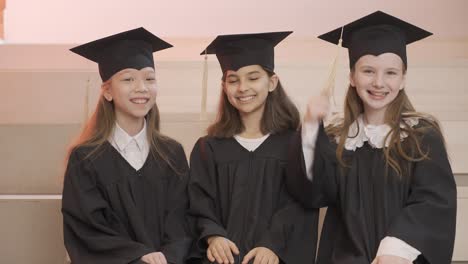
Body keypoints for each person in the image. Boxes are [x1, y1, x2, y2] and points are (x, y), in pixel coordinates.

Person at [286, 11, 457, 264]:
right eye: (368, 71)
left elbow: (434, 201)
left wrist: (397, 247)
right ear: (352, 77)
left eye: (390, 73)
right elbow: (313, 193)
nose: (379, 82)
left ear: (402, 80)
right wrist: (311, 125)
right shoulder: (338, 140)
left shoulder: (420, 134)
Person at [62, 27, 192, 264]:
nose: (141, 87)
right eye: (128, 78)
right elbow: (87, 230)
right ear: (108, 91)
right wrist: (138, 256)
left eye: (149, 78)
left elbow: (182, 220)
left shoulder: (172, 153)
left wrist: (168, 256)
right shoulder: (86, 158)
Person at [187, 32, 318, 264]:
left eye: (253, 77)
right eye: (233, 79)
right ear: (224, 87)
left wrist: (272, 244)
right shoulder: (208, 148)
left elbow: (298, 205)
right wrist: (213, 235)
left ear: (272, 82)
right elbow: (198, 203)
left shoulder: (294, 145)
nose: (242, 88)